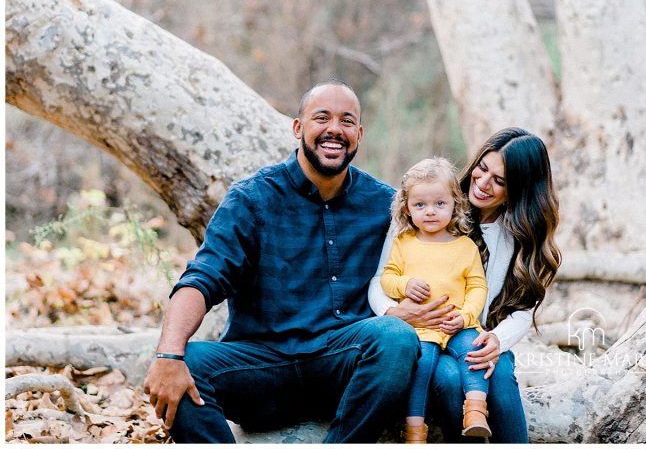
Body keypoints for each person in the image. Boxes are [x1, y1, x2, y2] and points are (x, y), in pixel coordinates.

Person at [144, 79, 420, 443]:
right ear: (297, 127)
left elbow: (436, 257)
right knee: (185, 363)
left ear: (360, 133)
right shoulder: (251, 199)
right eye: (321, 118)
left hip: (343, 365)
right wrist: (168, 352)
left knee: (395, 338)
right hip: (261, 371)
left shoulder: (385, 205)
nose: (334, 129)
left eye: (347, 120)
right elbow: (202, 279)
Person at [369, 127, 561, 443]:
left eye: (499, 181)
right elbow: (380, 278)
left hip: (473, 335)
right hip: (425, 336)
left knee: (496, 370)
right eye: (482, 169)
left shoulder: (519, 235)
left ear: (519, 190)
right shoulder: (432, 202)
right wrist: (394, 311)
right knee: (447, 379)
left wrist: (497, 340)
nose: (483, 183)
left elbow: (523, 311)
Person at [380, 157, 490, 443]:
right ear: (407, 208)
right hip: (422, 328)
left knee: (474, 353)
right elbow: (387, 278)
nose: (430, 212)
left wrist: (466, 316)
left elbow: (478, 286)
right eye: (420, 205)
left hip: (458, 323)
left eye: (439, 204)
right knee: (421, 367)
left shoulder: (465, 246)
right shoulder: (404, 243)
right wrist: (405, 284)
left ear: (455, 204)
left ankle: (476, 411)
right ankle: (415, 429)